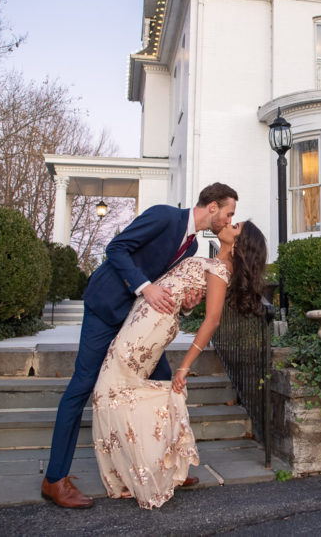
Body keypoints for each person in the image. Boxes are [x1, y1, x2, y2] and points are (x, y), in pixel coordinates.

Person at [41, 183, 239, 509]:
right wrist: (145, 288)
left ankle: (166, 468)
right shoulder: (164, 217)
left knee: (163, 383)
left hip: (138, 326)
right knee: (81, 386)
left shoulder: (191, 248)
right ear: (213, 207)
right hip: (106, 308)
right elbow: (115, 248)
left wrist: (188, 303)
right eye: (229, 212)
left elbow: (170, 289)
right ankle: (54, 479)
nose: (231, 219)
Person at [92, 220, 267, 509]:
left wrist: (184, 367)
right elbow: (185, 296)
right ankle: (148, 466)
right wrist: (187, 302)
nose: (228, 223)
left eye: (235, 226)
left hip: (151, 326)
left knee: (108, 391)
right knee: (112, 391)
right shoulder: (212, 262)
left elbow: (212, 321)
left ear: (238, 245)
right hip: (144, 316)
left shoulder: (221, 271)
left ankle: (146, 471)